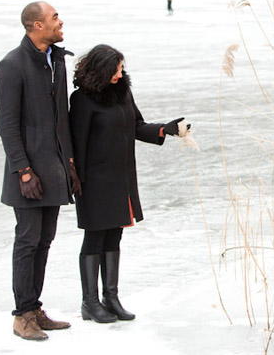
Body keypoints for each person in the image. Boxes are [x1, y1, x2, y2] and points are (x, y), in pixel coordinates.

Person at [69, 44, 186, 323]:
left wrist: (164, 130)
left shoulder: (123, 93)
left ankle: (111, 298)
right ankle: (89, 302)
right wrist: (76, 179)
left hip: (121, 178)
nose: (121, 74)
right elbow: (76, 142)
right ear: (101, 69)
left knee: (114, 236)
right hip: (93, 181)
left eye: (122, 68)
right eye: (116, 69)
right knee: (95, 237)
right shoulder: (83, 100)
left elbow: (135, 126)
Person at [0, 1, 82, 341]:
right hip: (28, 173)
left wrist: (70, 164)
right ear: (36, 26)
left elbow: (62, 121)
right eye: (54, 18)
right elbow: (8, 126)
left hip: (56, 168)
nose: (60, 22)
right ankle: (22, 315)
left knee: (44, 241)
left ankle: (34, 308)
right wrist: (23, 171)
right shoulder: (11, 67)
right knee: (28, 241)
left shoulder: (55, 61)